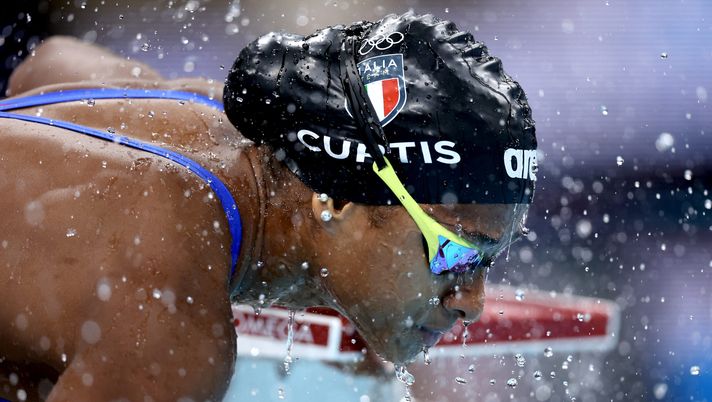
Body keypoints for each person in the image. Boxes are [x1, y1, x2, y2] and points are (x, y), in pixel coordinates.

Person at [0, 12, 536, 402]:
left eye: (489, 262)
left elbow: (45, 64)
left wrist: (337, 288)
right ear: (338, 197)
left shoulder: (216, 124)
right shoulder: (169, 322)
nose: (474, 301)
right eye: (453, 252)